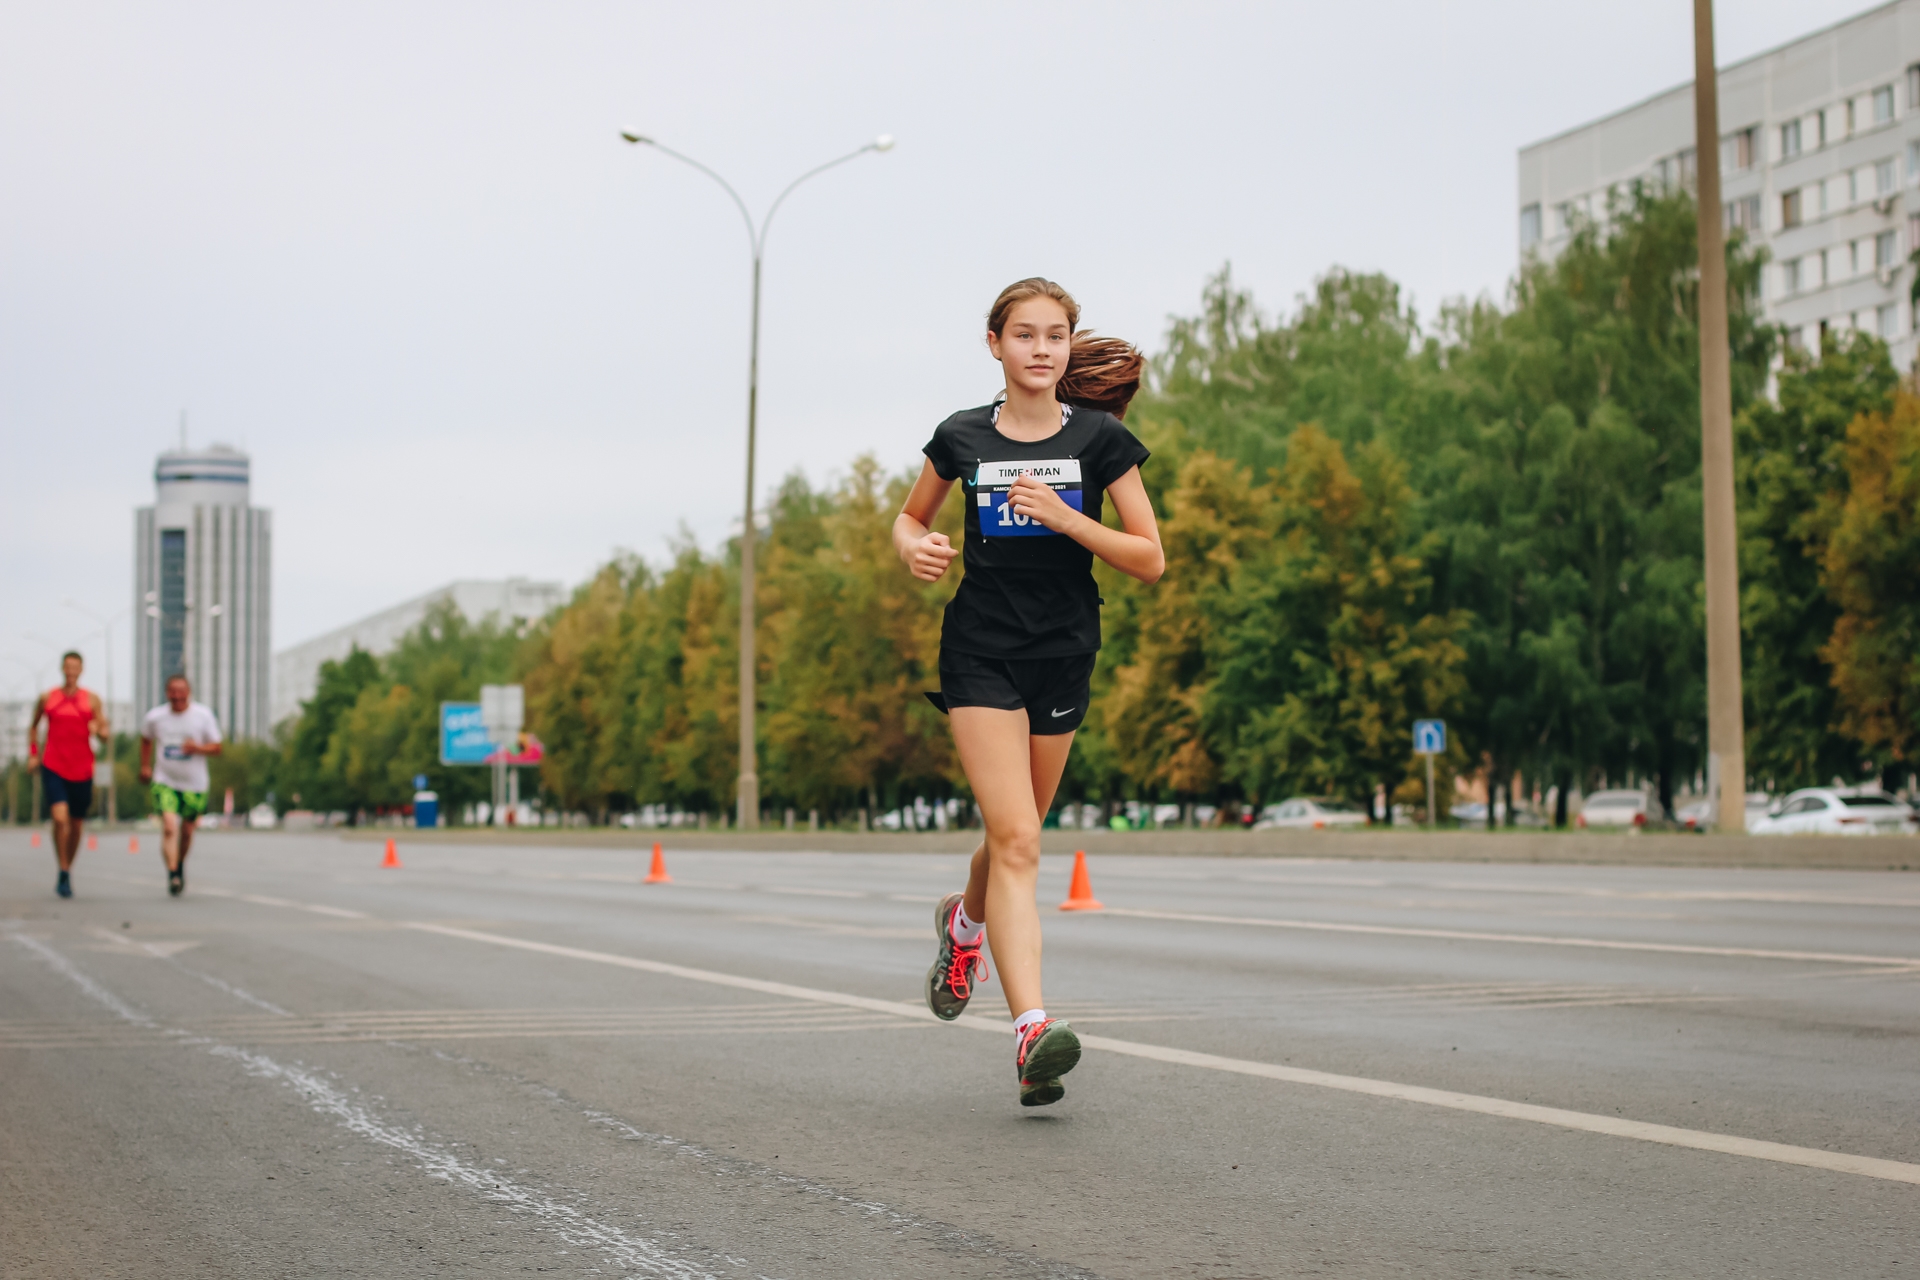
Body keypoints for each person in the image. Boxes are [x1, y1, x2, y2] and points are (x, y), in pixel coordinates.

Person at [894, 278, 1164, 1106]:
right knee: (1017, 841)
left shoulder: (1101, 441)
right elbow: (910, 517)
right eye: (1024, 335)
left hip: (1063, 653)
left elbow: (1149, 556)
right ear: (995, 345)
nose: (1040, 350)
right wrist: (915, 548)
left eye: (1055, 337)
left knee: (1017, 835)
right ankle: (1031, 1031)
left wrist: (1066, 517)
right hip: (979, 654)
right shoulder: (963, 436)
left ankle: (964, 926)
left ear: (1068, 349)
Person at [28, 651, 108, 899]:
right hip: (53, 763)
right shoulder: (47, 698)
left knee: (75, 824)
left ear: (81, 670)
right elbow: (33, 727)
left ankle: (67, 868)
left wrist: (98, 730)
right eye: (67, 666)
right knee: (59, 818)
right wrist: (33, 754)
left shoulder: (92, 700)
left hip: (82, 767)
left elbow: (105, 732)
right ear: (62, 668)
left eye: (75, 667)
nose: (71, 671)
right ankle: (62, 868)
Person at [139, 674, 222, 897]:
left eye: (181, 691)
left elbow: (217, 747)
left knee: (186, 831)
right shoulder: (155, 717)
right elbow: (145, 739)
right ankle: (173, 873)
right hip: (165, 780)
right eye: (172, 691)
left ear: (189, 692)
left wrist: (197, 748)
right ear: (167, 693)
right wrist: (145, 766)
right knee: (169, 827)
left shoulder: (202, 716)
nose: (177, 696)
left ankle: (180, 864)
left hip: (195, 784)